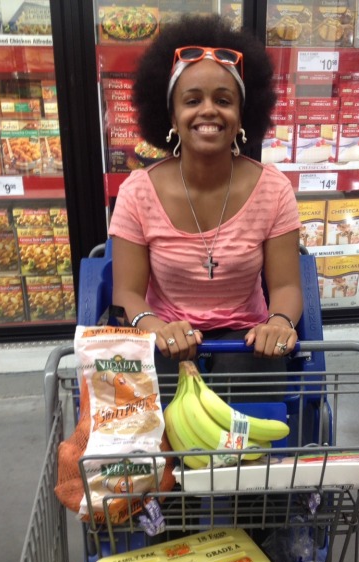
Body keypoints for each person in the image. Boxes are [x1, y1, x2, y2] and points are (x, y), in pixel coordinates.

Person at [108, 14, 302, 382]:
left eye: (224, 100)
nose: (209, 110)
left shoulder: (273, 190)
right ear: (172, 115)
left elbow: (287, 287)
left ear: (242, 114)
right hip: (164, 334)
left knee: (248, 373)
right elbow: (128, 293)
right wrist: (154, 325)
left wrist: (278, 322)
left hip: (245, 340)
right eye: (192, 100)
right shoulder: (137, 192)